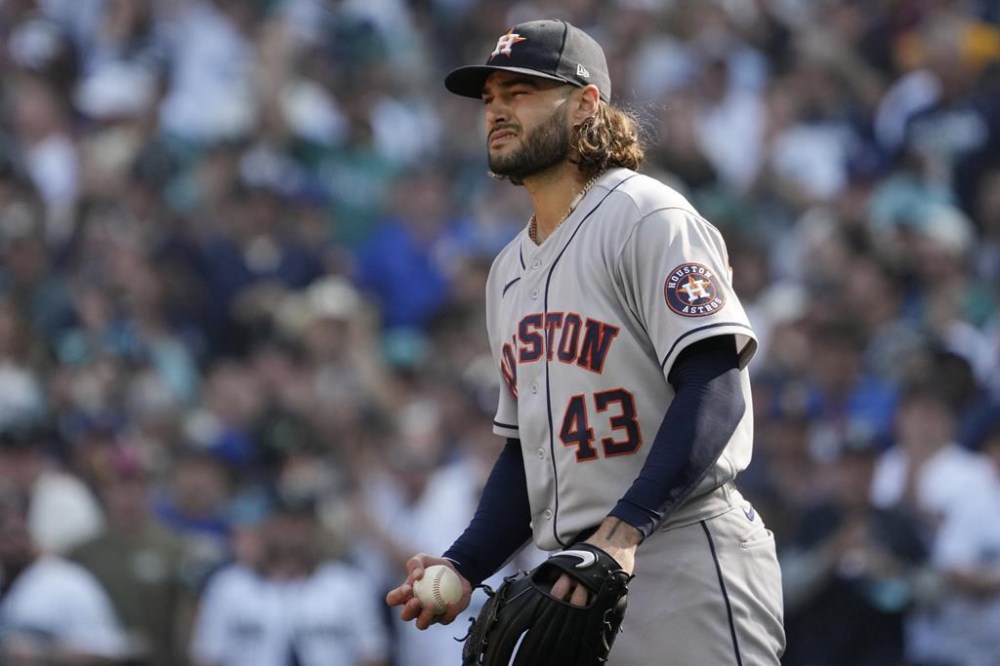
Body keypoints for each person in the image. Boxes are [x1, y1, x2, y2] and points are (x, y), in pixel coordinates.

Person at [386, 18, 785, 665]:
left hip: (679, 551)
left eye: (519, 92)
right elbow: (528, 456)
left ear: (585, 105)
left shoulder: (646, 216)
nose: (496, 111)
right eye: (489, 98)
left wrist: (622, 532)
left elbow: (715, 388)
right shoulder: (507, 272)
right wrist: (463, 566)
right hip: (576, 571)